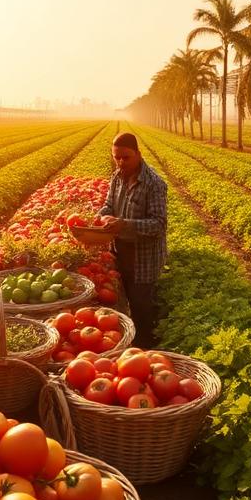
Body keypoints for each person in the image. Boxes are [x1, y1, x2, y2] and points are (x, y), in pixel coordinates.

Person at [97, 132, 168, 348]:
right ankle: (132, 343)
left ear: (138, 154)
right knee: (127, 301)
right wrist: (102, 216)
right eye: (116, 157)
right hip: (120, 253)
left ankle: (146, 346)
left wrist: (125, 224)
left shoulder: (154, 183)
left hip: (143, 259)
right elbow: (109, 205)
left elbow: (158, 225)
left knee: (141, 305)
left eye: (126, 157)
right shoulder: (117, 177)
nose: (120, 162)